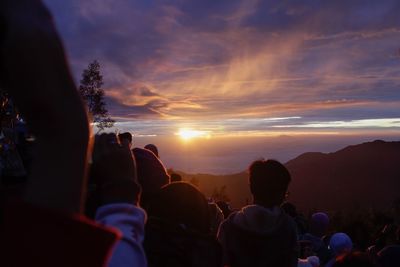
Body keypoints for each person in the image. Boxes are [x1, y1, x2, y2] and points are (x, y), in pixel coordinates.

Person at [217, 159, 298, 267]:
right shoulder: (288, 228)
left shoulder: (228, 227)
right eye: (285, 193)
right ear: (281, 194)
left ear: (251, 188)